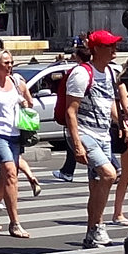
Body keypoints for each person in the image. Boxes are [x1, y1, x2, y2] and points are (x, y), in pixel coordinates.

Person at [64, 28, 122, 248]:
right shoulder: (81, 73)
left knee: (97, 185)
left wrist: (122, 124)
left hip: (103, 134)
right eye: (110, 46)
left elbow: (108, 103)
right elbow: (71, 110)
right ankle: (98, 226)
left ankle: (92, 231)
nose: (115, 49)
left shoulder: (109, 72)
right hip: (85, 133)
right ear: (97, 49)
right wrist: (77, 144)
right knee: (109, 174)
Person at [0, 48, 34, 238]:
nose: (10, 66)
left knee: (5, 178)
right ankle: (15, 223)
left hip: (15, 133)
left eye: (11, 62)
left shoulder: (16, 81)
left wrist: (25, 102)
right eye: (6, 63)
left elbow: (30, 102)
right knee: (11, 173)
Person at [51, 37, 91, 182]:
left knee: (81, 142)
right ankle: (67, 170)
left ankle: (114, 166)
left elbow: (65, 96)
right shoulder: (88, 71)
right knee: (74, 143)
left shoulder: (77, 73)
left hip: (80, 115)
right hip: (83, 115)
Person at [108, 57, 128, 225]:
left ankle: (121, 211)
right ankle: (118, 213)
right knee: (127, 174)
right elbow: (127, 107)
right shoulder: (123, 84)